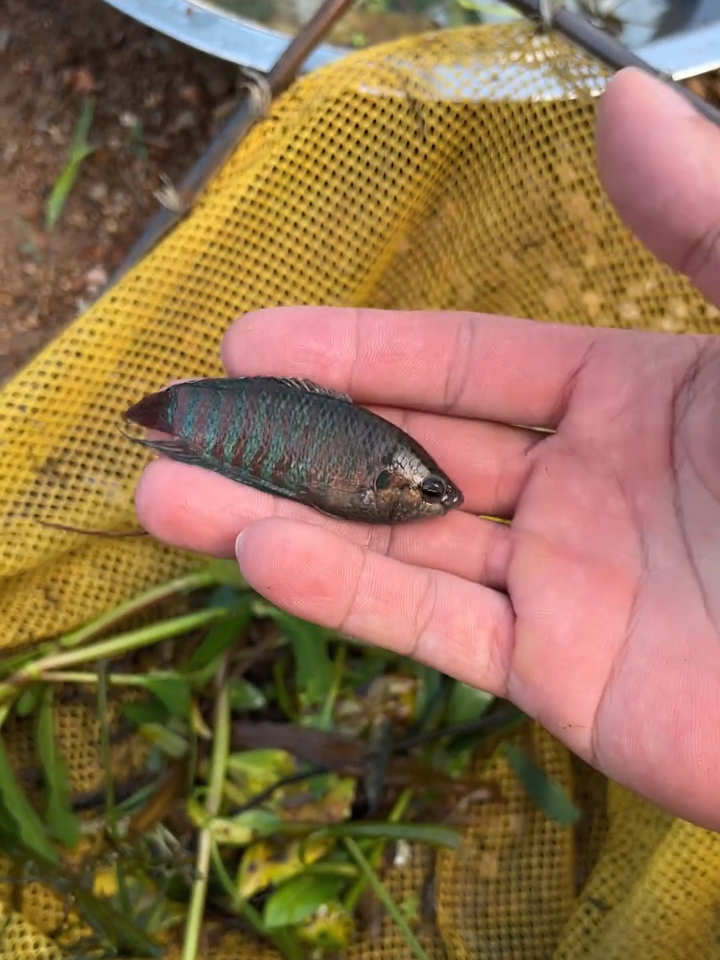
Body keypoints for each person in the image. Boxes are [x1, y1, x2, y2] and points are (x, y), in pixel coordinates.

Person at [134, 67, 720, 833]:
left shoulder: (397, 478)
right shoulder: (388, 473)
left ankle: (186, 426)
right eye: (433, 493)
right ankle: (184, 423)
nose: (442, 500)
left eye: (434, 493)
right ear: (399, 484)